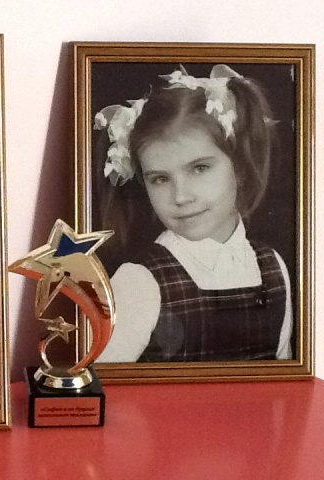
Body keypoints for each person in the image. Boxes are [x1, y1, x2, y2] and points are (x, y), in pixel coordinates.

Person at [94, 65, 293, 363]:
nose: (181, 197)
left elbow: (284, 378)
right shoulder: (138, 282)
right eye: (160, 179)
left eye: (200, 168)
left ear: (239, 167)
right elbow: (104, 387)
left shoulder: (272, 267)